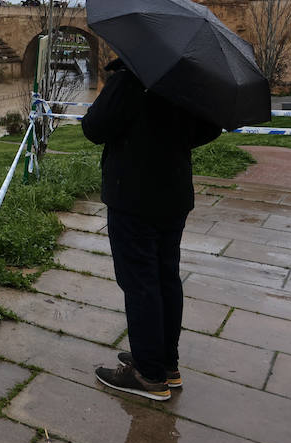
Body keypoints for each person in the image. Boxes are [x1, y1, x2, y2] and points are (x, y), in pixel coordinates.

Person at [82, 58, 221, 401]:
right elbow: (211, 126)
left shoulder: (132, 75)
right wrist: (174, 139)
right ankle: (165, 363)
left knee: (140, 283)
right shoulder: (187, 77)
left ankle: (148, 374)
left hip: (133, 197)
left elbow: (94, 128)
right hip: (173, 193)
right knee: (165, 278)